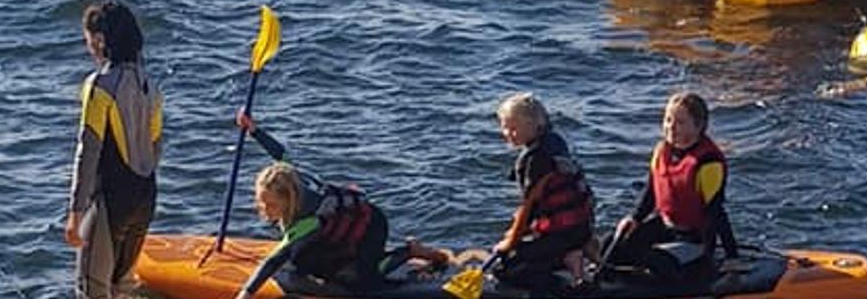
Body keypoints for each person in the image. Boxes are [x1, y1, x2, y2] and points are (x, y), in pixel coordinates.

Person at [233, 112, 449, 299]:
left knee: (362, 285)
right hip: (338, 229)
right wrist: (253, 130)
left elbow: (274, 261)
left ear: (289, 199)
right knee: (301, 261)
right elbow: (280, 154)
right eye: (260, 201)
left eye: (270, 204)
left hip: (370, 226)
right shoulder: (290, 176)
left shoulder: (309, 220)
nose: (263, 209)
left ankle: (409, 251)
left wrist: (246, 293)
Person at [66, 0, 162, 299]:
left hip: (110, 200)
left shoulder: (99, 86)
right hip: (145, 196)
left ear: (100, 39)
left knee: (90, 289)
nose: (88, 46)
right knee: (122, 286)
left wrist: (76, 211)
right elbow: (155, 147)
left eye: (88, 39)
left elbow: (89, 151)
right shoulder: (151, 86)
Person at [603, 93, 735, 281]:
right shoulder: (661, 151)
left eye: (680, 122)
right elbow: (651, 193)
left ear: (699, 126)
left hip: (694, 239)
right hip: (666, 226)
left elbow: (716, 213)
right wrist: (634, 218)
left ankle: (690, 272)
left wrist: (730, 257)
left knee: (654, 260)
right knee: (611, 244)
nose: (671, 127)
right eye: (668, 120)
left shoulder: (708, 163)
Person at [493, 93, 596, 290]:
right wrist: (516, 232)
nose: (506, 133)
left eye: (513, 128)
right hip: (581, 228)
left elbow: (529, 206)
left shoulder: (535, 160)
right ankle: (573, 254)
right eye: (505, 126)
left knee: (506, 269)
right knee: (528, 249)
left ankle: (564, 285)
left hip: (564, 234)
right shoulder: (555, 142)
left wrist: (509, 243)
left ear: (534, 125)